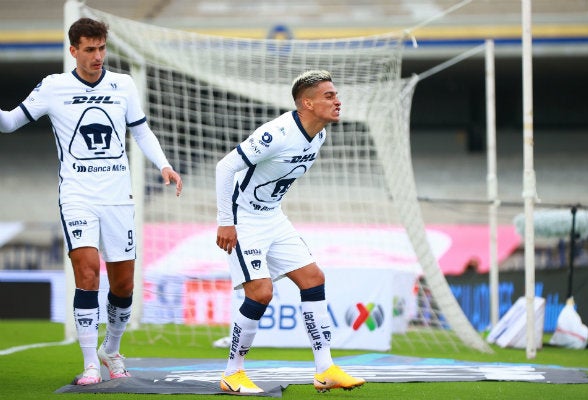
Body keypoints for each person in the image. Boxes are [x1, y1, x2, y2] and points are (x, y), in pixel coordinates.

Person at [0, 18, 183, 385]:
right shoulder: (54, 87)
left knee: (123, 286)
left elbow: (141, 129)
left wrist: (163, 164)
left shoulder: (123, 84)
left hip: (118, 197)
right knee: (87, 275)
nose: (98, 56)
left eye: (102, 48)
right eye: (90, 49)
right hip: (78, 196)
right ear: (73, 51)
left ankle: (110, 349)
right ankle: (89, 363)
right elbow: (8, 123)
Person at [215, 70, 365, 393]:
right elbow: (225, 167)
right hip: (244, 219)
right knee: (261, 292)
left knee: (314, 278)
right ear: (306, 103)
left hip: (273, 217)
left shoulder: (320, 135)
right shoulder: (277, 133)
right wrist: (226, 221)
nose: (338, 101)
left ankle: (325, 370)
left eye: (336, 95)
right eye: (329, 96)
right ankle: (232, 373)